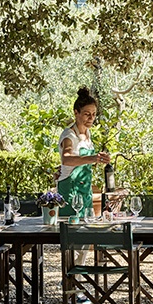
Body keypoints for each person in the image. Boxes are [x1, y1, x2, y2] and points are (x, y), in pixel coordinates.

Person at [56, 86, 111, 217]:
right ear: (76, 113)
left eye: (93, 114)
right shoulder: (69, 136)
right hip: (70, 190)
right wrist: (94, 158)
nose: (91, 118)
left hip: (85, 191)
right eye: (87, 114)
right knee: (70, 231)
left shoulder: (87, 133)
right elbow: (67, 159)